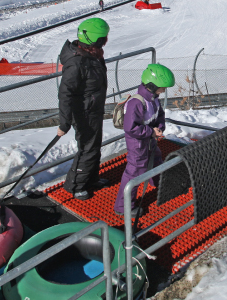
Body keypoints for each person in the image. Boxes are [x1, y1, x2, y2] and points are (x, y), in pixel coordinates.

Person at [58, 18, 112, 199]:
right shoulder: (77, 63)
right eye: (103, 38)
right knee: (87, 148)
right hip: (84, 113)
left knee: (94, 146)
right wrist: (64, 122)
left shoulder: (92, 56)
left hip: (93, 109)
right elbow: (65, 93)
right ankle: (74, 185)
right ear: (94, 40)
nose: (105, 41)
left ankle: (91, 179)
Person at [118, 64, 173, 216]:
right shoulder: (137, 103)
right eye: (162, 87)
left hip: (149, 137)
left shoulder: (153, 98)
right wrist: (150, 132)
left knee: (155, 159)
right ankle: (123, 207)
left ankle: (157, 183)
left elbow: (159, 114)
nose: (164, 90)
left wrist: (159, 127)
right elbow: (130, 128)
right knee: (134, 171)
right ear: (152, 85)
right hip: (138, 142)